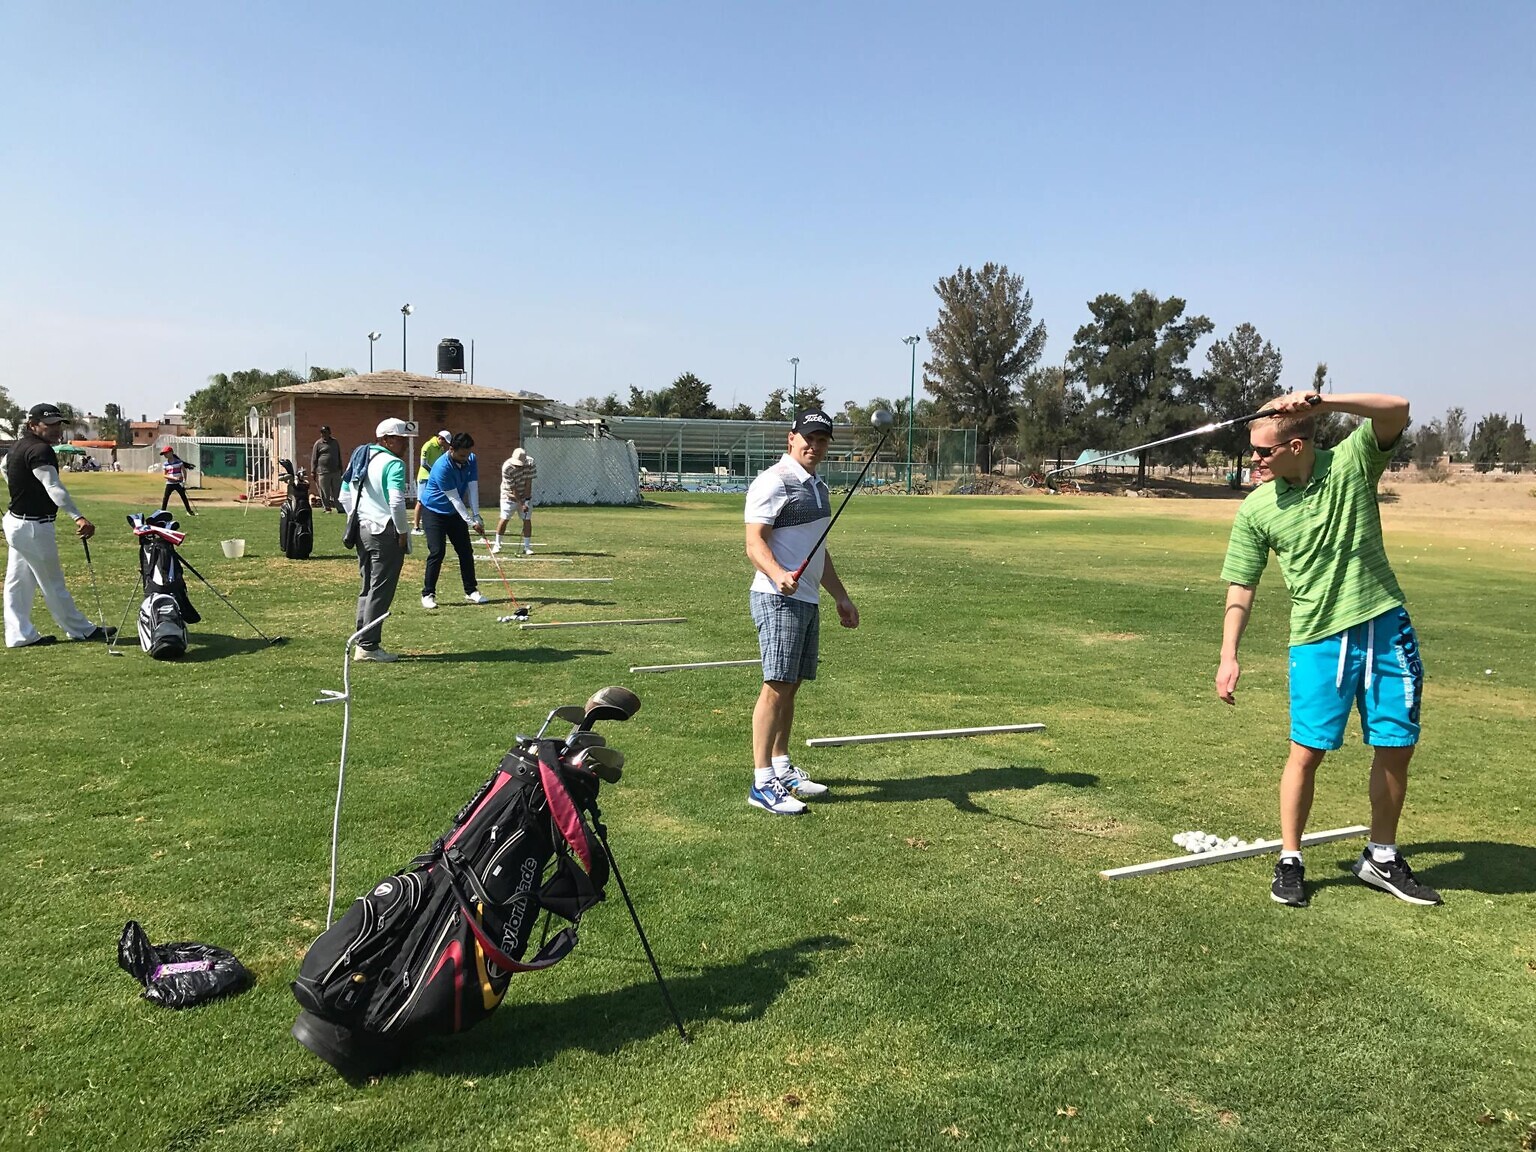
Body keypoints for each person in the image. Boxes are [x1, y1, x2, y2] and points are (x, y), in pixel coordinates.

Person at [1217, 389, 1439, 909]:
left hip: (1385, 626)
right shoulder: (1256, 508)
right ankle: (1290, 858)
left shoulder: (1352, 461)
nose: (1254, 459)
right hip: (1317, 639)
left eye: (1263, 451)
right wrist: (1229, 654)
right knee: (1306, 752)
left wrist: (1325, 403)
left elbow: (1398, 409)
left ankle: (1381, 856)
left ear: (1296, 446)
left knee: (1396, 745)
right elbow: (1242, 585)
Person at [742, 409, 860, 815]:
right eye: (809, 438)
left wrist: (840, 596)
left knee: (791, 685)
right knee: (776, 685)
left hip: (806, 599)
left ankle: (781, 766)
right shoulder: (773, 481)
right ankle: (762, 783)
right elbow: (755, 543)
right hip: (777, 597)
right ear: (791, 438)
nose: (815, 446)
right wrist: (778, 575)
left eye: (823, 440)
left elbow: (818, 553)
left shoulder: (819, 488)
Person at [3, 403, 114, 647]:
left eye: (58, 424)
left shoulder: (19, 446)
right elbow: (53, 486)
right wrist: (78, 517)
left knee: (17, 581)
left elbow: (4, 466)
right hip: (33, 526)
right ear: (33, 425)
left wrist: (19, 489)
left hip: (16, 522)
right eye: (49, 425)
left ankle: (19, 634)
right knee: (52, 583)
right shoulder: (40, 450)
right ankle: (80, 630)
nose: (56, 429)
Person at [339, 419, 412, 662]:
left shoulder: (360, 457)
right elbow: (396, 502)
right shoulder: (394, 464)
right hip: (385, 531)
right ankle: (368, 645)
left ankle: (362, 639)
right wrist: (402, 532)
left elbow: (344, 495)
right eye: (401, 439)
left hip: (362, 529)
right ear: (386, 440)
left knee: (368, 587)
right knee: (380, 589)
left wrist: (357, 516)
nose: (405, 444)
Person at [417, 431, 488, 610]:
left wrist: (477, 515)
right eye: (462, 455)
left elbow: (472, 488)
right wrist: (471, 522)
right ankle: (428, 593)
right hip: (433, 511)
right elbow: (455, 498)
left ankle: (471, 590)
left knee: (465, 551)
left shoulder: (471, 459)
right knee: (437, 551)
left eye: (468, 454)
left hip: (454, 513)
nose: (466, 459)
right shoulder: (442, 467)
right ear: (451, 450)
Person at [494, 446, 537, 555]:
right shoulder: (507, 467)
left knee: (527, 519)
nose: (518, 466)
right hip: (508, 495)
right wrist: (521, 504)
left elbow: (528, 483)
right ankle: (497, 545)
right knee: (504, 518)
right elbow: (513, 489)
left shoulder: (531, 463)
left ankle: (527, 547)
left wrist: (526, 501)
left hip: (524, 494)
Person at [413, 430, 451, 535]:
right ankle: (416, 527)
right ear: (440, 438)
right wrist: (434, 472)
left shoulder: (441, 449)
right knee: (421, 501)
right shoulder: (428, 445)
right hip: (424, 477)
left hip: (434, 478)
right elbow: (423, 463)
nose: (444, 444)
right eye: (444, 441)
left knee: (433, 501)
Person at [310, 425, 344, 513]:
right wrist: (313, 471)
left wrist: (341, 468)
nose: (323, 434)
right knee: (325, 492)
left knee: (337, 491)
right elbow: (314, 458)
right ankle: (327, 508)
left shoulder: (335, 442)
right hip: (323, 471)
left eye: (325, 432)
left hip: (335, 471)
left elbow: (338, 455)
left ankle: (339, 508)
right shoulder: (318, 444)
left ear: (329, 433)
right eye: (322, 433)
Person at [158, 446, 197, 515]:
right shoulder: (165, 464)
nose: (165, 455)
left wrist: (184, 481)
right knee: (165, 498)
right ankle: (162, 512)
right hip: (169, 483)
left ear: (171, 452)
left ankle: (189, 511)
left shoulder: (178, 462)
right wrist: (174, 478)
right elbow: (164, 475)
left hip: (178, 483)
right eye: (164, 454)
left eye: (166, 453)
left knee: (183, 497)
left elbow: (184, 471)